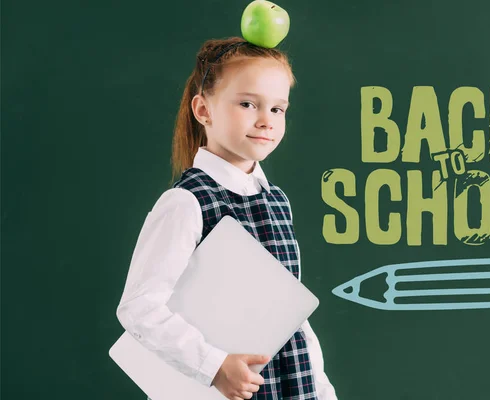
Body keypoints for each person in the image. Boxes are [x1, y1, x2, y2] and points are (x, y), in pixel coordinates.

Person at [116, 36, 338, 400]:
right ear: (203, 110)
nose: (266, 121)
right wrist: (213, 365)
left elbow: (292, 318)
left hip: (296, 388)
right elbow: (139, 308)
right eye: (248, 103)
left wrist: (324, 391)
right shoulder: (187, 202)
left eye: (278, 109)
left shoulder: (276, 201)